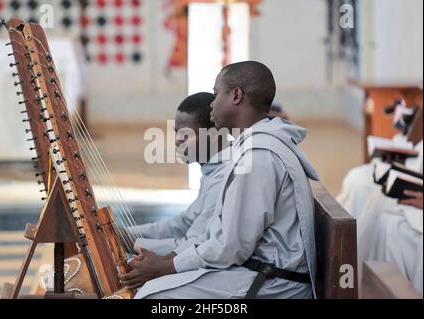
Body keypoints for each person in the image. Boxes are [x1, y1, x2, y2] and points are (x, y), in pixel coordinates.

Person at [121, 61, 319, 299]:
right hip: (259, 273)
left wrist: (166, 266)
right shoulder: (253, 148)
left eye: (216, 94)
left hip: (276, 286)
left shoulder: (259, 156)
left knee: (153, 297)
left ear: (236, 95)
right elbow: (212, 234)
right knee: (155, 287)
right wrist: (162, 258)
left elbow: (230, 247)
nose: (212, 104)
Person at [131, 92, 230, 257]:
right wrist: (124, 234)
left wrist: (132, 243)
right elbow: (183, 223)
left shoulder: (223, 175)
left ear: (213, 136)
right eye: (176, 132)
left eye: (185, 135)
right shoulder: (211, 169)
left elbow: (194, 244)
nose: (177, 140)